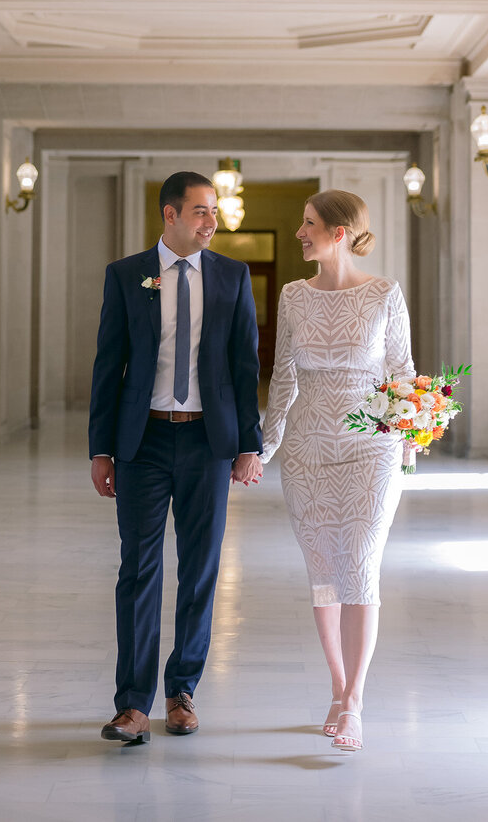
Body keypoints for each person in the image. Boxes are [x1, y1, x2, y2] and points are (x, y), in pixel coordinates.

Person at [89, 171, 263, 745]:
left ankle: (182, 692)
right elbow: (107, 366)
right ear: (170, 215)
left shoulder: (233, 277)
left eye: (214, 212)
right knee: (138, 569)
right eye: (200, 212)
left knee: (200, 570)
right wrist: (101, 448)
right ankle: (132, 705)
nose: (212, 222)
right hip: (142, 443)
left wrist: (247, 445)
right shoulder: (126, 275)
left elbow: (244, 367)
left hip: (207, 444)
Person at [260, 190, 414, 753]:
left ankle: (356, 701)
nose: (300, 233)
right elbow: (283, 380)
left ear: (339, 233)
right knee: (324, 570)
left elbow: (402, 370)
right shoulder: (294, 296)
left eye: (308, 224)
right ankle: (336, 686)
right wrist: (265, 446)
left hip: (371, 446)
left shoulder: (383, 295)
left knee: (362, 565)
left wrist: (408, 443)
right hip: (306, 452)